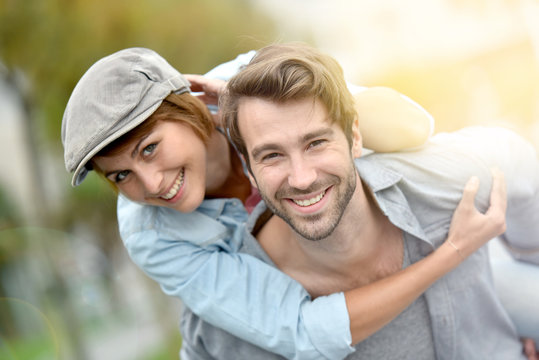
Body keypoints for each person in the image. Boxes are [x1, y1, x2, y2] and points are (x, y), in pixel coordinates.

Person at [61, 47, 508, 360]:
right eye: (121, 176)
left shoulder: (256, 77)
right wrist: (451, 253)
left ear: (186, 108)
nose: (152, 183)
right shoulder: (150, 235)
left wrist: (256, 103)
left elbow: (414, 127)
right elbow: (304, 332)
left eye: (150, 149)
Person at [172, 42, 539, 359]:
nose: (302, 178)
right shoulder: (227, 320)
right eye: (272, 156)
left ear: (355, 138)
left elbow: (516, 158)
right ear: (248, 169)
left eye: (316, 143)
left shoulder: (446, 182)